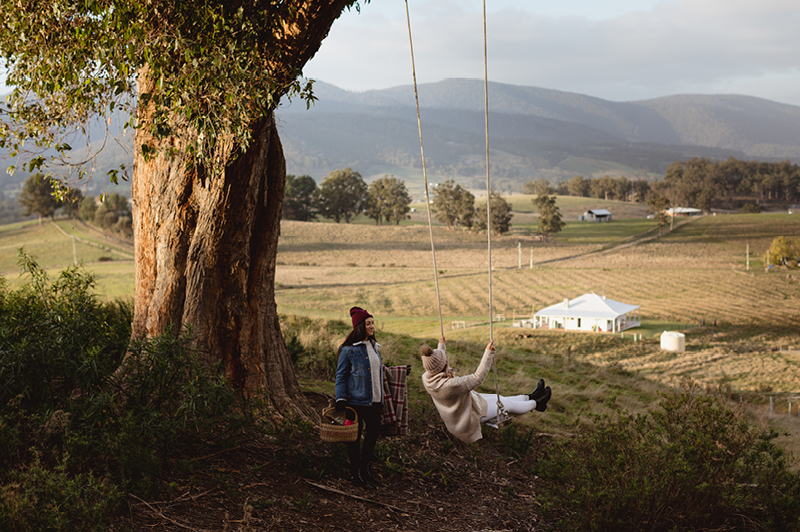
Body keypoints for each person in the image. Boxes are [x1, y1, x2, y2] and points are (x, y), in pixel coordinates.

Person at [420, 337, 551, 443]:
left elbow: (437, 363)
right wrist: (488, 353)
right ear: (443, 365)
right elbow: (477, 378)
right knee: (506, 405)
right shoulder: (451, 385)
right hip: (466, 419)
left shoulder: (427, 377)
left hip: (464, 407)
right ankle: (538, 404)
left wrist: (441, 346)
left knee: (498, 398)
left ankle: (530, 396)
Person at [335, 306, 384, 487]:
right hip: (356, 402)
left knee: (372, 436)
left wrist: (398, 372)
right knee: (354, 440)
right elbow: (341, 375)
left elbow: (376, 370)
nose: (372, 326)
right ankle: (355, 475)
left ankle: (365, 470)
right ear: (360, 326)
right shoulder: (348, 349)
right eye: (368, 323)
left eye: (372, 323)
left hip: (375, 402)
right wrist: (340, 398)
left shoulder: (374, 347)